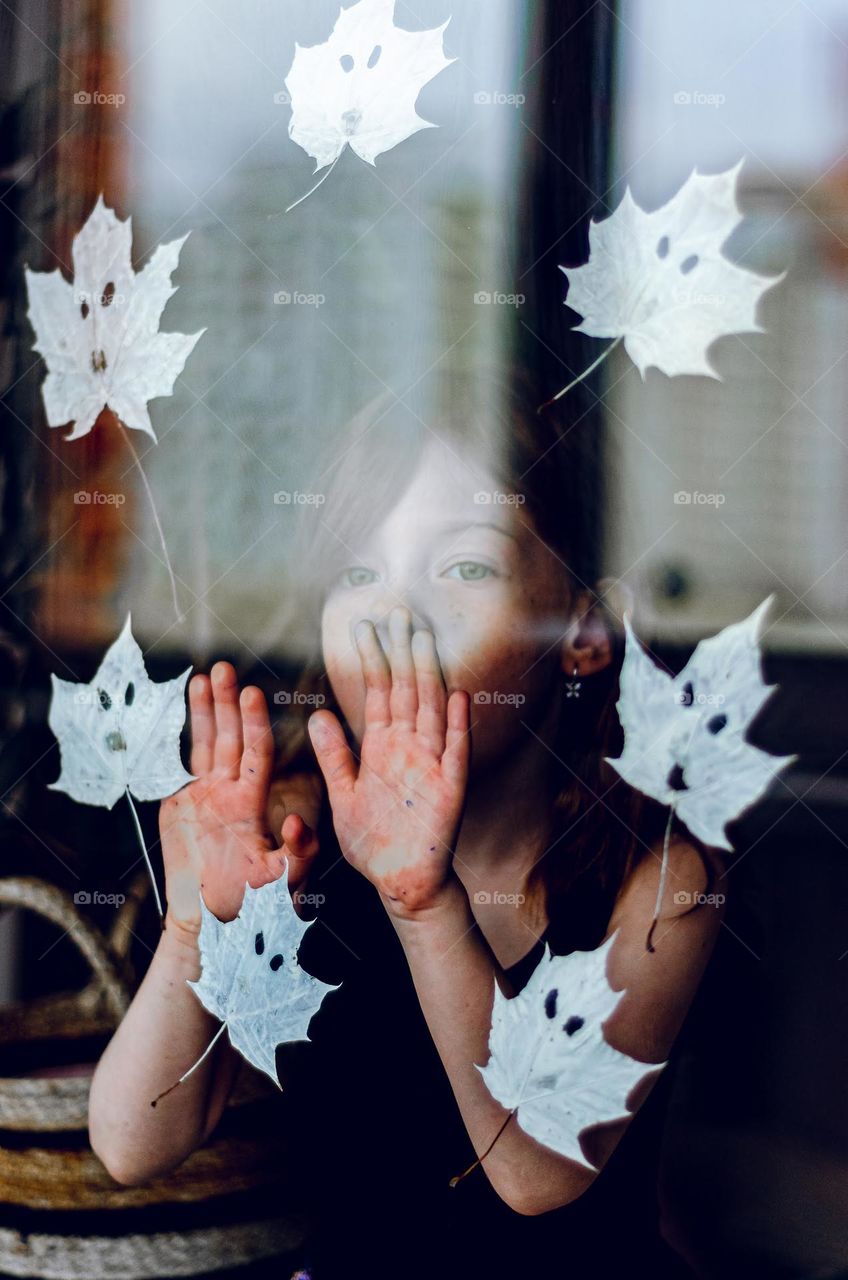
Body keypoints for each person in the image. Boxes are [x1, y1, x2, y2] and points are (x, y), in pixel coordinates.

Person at [88, 370, 724, 1279]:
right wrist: (195, 929)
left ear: (583, 627)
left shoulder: (660, 883)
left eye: (464, 566)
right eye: (358, 571)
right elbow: (132, 1141)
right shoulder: (300, 846)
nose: (393, 612)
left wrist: (424, 908)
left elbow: (538, 1169)